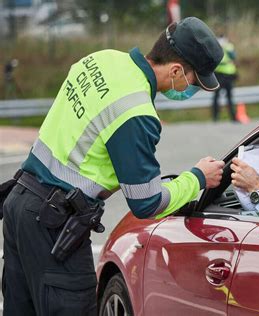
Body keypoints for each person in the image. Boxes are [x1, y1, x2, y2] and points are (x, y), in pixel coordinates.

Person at [0, 17, 225, 315]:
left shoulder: (102, 60)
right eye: (193, 83)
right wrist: (197, 178)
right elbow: (146, 202)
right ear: (175, 71)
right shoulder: (136, 112)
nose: (189, 90)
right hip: (53, 225)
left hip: (19, 205)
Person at [212, 31, 238, 122]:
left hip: (226, 74)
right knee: (217, 97)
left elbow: (233, 56)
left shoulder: (227, 46)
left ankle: (232, 117)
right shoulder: (216, 46)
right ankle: (215, 117)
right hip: (220, 74)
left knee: (228, 97)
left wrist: (225, 47)